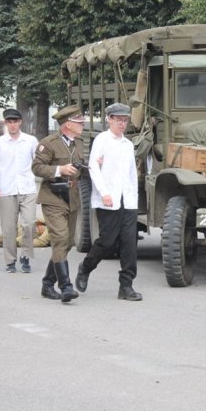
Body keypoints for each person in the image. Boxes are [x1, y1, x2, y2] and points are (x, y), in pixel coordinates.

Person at [75, 102, 142, 301]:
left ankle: (126, 285)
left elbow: (132, 174)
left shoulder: (128, 145)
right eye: (118, 120)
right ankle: (85, 267)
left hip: (127, 200)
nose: (122, 124)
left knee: (130, 243)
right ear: (109, 120)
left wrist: (134, 199)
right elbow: (94, 168)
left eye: (125, 120)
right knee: (107, 242)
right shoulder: (102, 140)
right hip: (108, 199)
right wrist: (103, 192)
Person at [31, 105, 85, 302]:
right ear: (67, 125)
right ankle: (66, 286)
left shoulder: (78, 143)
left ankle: (47, 283)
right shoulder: (49, 143)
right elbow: (36, 167)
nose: (83, 125)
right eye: (79, 122)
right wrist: (59, 169)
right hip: (53, 196)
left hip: (72, 197)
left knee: (68, 243)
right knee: (60, 239)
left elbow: (81, 165)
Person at [0, 108, 38, 273]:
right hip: (7, 188)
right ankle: (10, 260)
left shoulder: (30, 141)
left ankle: (25, 255)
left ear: (20, 122)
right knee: (9, 228)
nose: (12, 125)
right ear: (6, 123)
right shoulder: (0, 142)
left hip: (27, 187)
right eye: (9, 122)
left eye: (15, 121)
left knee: (29, 223)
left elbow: (38, 162)